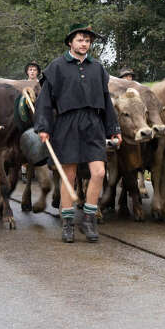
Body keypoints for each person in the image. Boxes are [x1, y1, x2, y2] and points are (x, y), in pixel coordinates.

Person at [34, 23, 122, 243]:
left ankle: (89, 219)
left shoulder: (98, 68)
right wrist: (44, 127)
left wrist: (113, 129)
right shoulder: (57, 66)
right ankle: (67, 223)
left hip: (93, 123)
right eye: (80, 40)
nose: (85, 44)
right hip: (67, 123)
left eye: (88, 41)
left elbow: (106, 102)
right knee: (69, 175)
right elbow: (45, 101)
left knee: (99, 172)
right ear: (70, 42)